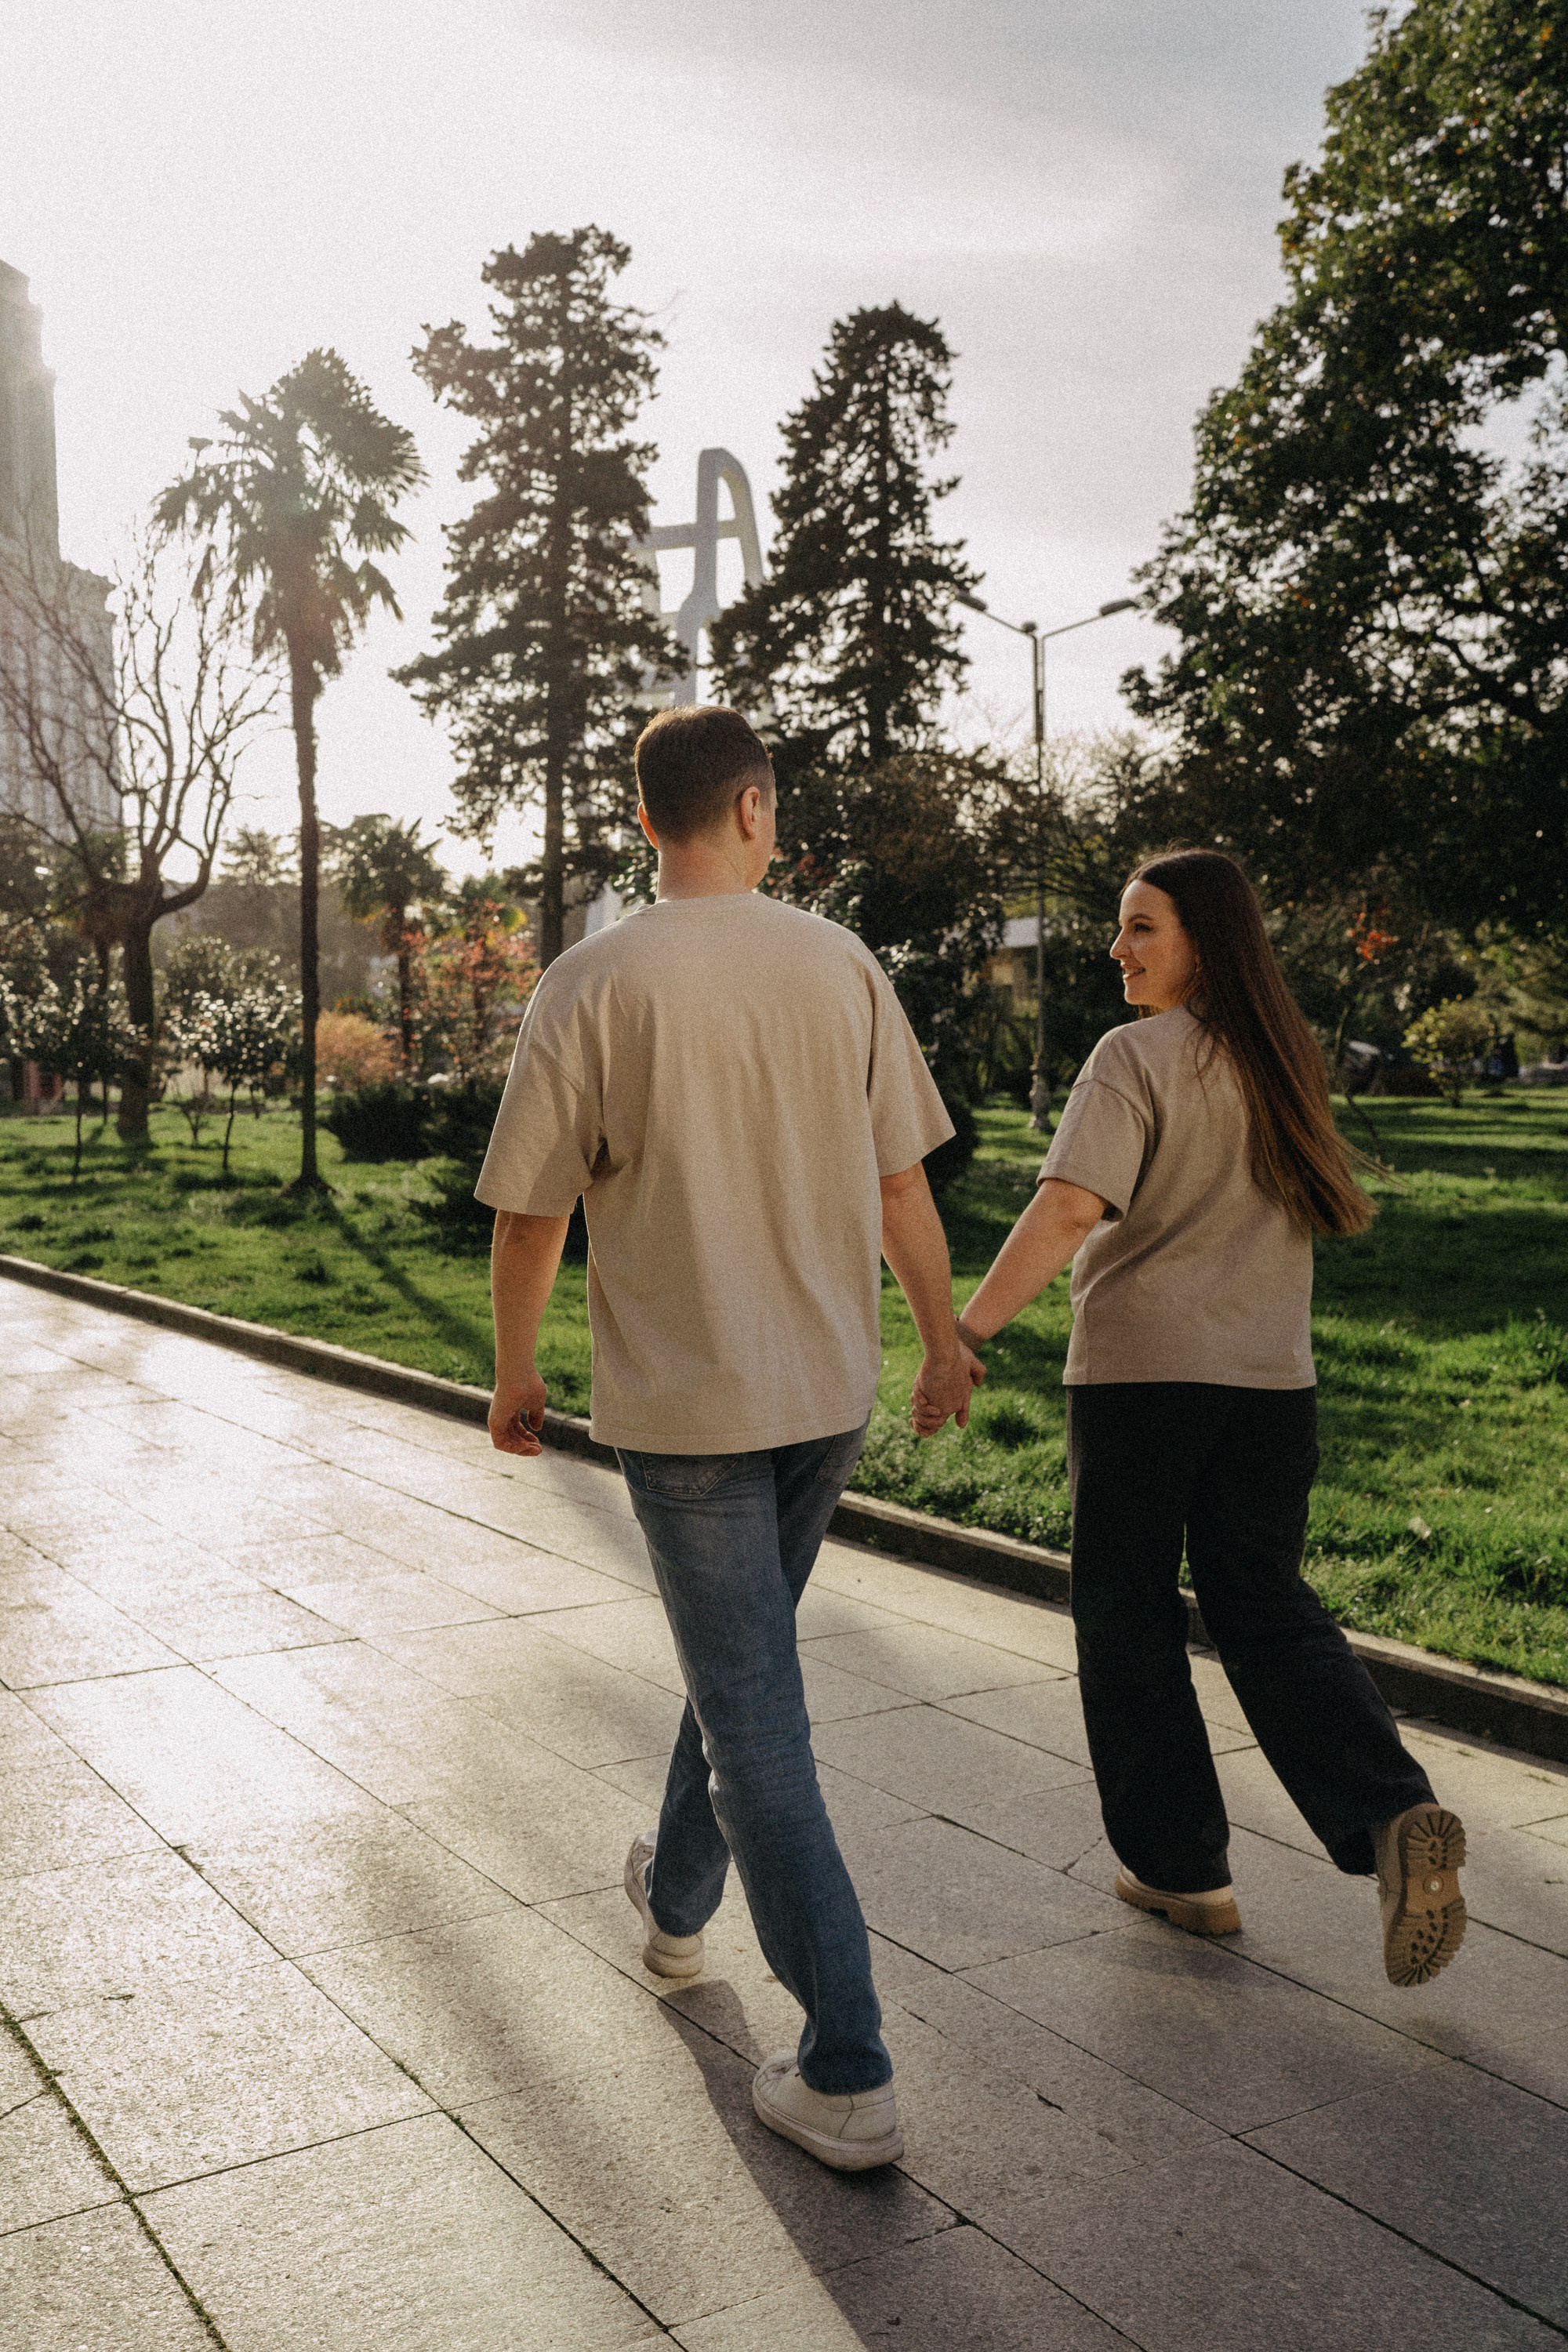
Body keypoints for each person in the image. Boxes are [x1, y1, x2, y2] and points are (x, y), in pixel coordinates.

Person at [478, 705, 969, 2169]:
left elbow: (531, 1214)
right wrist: (945, 1341)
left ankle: (849, 2063)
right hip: (827, 1392)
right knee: (739, 1669)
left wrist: (516, 1374)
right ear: (754, 810)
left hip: (687, 1412)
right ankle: (676, 1909)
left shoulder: (593, 979)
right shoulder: (839, 964)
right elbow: (901, 1193)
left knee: (755, 1715)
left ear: (650, 823)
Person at [918, 848, 1467, 1988]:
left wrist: (963, 1338)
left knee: (1125, 1612)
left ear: (1205, 941)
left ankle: (1183, 1871)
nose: (1119, 950)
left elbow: (1070, 1207)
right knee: (1263, 1604)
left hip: (1142, 1383)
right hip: (1274, 1388)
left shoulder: (1136, 1055)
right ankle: (1391, 1813)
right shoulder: (1285, 1060)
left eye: (1143, 929)